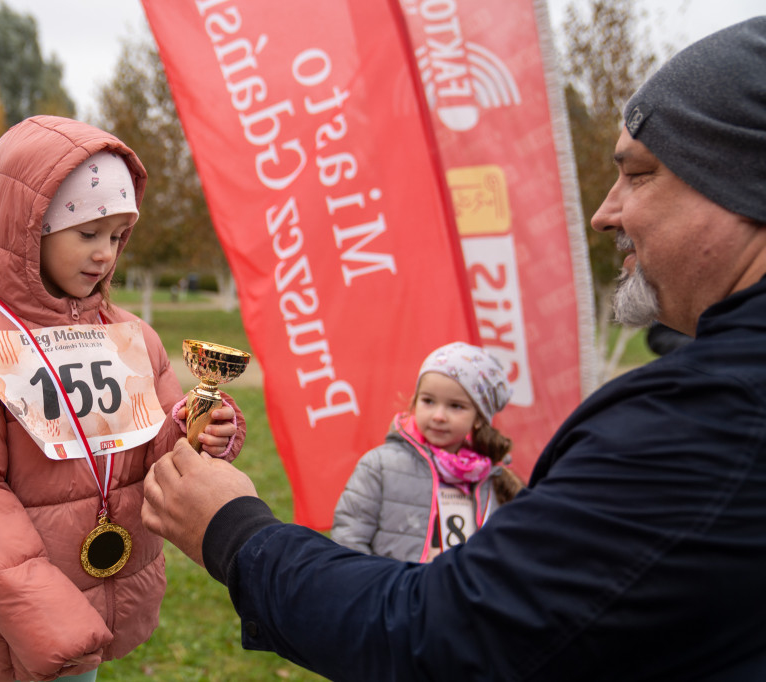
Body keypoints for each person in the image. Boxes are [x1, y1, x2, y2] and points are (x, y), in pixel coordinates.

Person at [142, 17, 766, 681]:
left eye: (640, 175)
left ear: (743, 188)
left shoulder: (713, 420)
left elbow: (443, 634)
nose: (606, 213)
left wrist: (236, 534)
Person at [0, 115, 246, 682]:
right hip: (11, 615)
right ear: (31, 227)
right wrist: (44, 614)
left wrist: (199, 429)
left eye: (118, 236)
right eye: (88, 233)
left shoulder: (131, 338)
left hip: (99, 588)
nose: (105, 255)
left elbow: (157, 444)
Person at [331, 342, 522, 562]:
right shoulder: (380, 466)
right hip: (395, 594)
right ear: (415, 402)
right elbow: (348, 539)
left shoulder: (494, 480)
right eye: (428, 401)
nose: (438, 416)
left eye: (455, 406)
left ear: (479, 418)